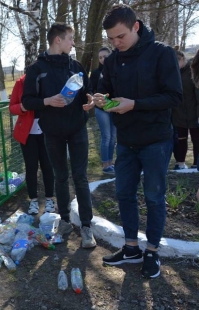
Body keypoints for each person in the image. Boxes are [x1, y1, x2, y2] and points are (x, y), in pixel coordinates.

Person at [93, 4, 182, 279]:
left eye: (120, 37)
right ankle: (131, 247)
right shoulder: (113, 60)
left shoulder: (162, 54)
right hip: (127, 140)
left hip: (156, 140)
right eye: (111, 39)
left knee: (154, 196)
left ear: (136, 27)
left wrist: (135, 104)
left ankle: (152, 251)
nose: (116, 43)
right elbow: (106, 90)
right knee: (124, 194)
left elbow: (173, 98)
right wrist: (99, 100)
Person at [21, 22, 97, 249]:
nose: (73, 43)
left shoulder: (76, 66)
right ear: (58, 40)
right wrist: (47, 101)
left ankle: (86, 226)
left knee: (80, 177)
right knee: (60, 177)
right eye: (70, 39)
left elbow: (87, 91)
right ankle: (64, 222)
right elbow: (26, 101)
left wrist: (90, 101)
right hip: (52, 132)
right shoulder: (37, 69)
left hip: (77, 129)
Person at [9, 74, 55, 215]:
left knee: (48, 166)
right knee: (31, 167)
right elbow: (12, 107)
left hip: (47, 131)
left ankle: (49, 199)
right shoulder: (21, 82)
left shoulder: (49, 80)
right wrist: (22, 107)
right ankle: (33, 200)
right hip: (27, 133)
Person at [171, 49, 199, 170]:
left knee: (196, 139)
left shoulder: (192, 71)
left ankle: (196, 163)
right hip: (178, 113)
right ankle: (180, 162)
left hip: (194, 112)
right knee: (180, 139)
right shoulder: (172, 73)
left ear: (182, 59)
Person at [90, 47, 117, 175]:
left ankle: (111, 163)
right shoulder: (96, 73)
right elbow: (91, 90)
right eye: (100, 57)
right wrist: (95, 101)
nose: (102, 59)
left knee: (113, 137)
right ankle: (105, 164)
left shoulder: (116, 70)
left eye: (105, 56)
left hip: (114, 106)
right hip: (101, 108)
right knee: (106, 136)